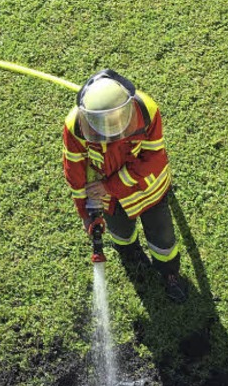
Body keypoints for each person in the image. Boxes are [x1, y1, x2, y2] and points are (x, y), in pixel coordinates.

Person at [62, 68, 187, 302]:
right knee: (121, 233)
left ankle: (169, 274)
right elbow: (75, 173)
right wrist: (85, 213)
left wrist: (110, 186)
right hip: (110, 202)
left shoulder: (145, 109)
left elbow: (154, 159)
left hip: (150, 190)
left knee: (163, 238)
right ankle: (132, 257)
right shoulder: (75, 126)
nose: (111, 134)